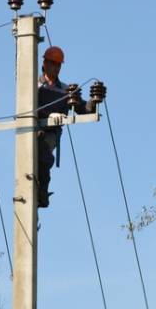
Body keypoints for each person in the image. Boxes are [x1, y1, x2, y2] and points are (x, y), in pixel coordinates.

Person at [37, 45, 96, 208]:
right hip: (34, 130)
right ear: (45, 63)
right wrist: (47, 116)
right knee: (38, 155)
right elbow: (27, 109)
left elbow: (82, 109)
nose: (55, 67)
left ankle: (41, 193)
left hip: (51, 134)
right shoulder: (32, 86)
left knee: (44, 155)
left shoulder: (65, 90)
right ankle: (39, 192)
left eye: (58, 65)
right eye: (52, 63)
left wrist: (93, 103)